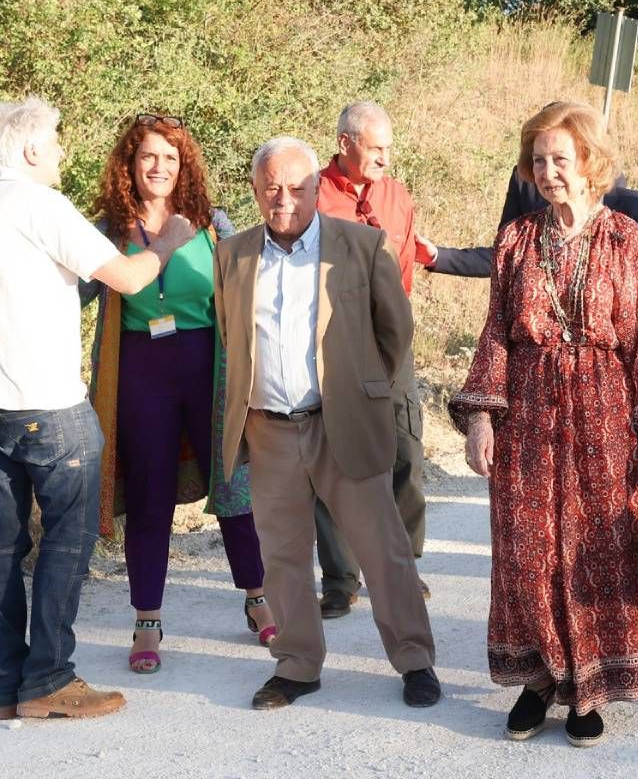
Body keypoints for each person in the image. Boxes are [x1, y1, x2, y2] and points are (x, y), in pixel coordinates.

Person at [448, 101, 638, 747]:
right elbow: (495, 332)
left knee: (596, 548)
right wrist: (481, 419)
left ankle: (590, 684)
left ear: (588, 163)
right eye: (539, 160)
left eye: (560, 159)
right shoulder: (516, 239)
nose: (547, 171)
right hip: (526, 408)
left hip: (604, 411)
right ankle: (540, 677)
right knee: (528, 550)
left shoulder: (626, 237)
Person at [212, 137, 440, 710]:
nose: (282, 199)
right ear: (256, 191)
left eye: (295, 187)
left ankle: (415, 660)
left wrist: (363, 392)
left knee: (382, 548)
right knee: (283, 554)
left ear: (317, 186)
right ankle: (296, 665)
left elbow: (396, 333)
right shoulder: (233, 254)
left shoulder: (361, 246)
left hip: (342, 421)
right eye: (270, 189)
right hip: (269, 429)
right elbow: (231, 336)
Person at [1, 96, 196, 718]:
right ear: (30, 149)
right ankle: (50, 679)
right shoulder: (39, 203)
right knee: (67, 542)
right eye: (55, 142)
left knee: (4, 548)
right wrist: (166, 243)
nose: (60, 153)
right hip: (52, 409)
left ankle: (7, 681)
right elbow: (130, 278)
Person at [87, 114, 276, 674]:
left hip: (207, 366)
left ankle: (258, 595)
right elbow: (68, 293)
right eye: (148, 156)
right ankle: (148, 618)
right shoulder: (106, 228)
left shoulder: (211, 223)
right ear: (129, 163)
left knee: (233, 482)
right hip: (141, 368)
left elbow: (253, 289)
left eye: (170, 157)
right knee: (149, 494)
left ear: (184, 164)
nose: (159, 167)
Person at [313, 101, 429, 617]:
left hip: (391, 337)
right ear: (346, 144)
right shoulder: (310, 194)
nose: (386, 157)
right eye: (376, 148)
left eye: (388, 147)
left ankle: (403, 567)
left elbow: (407, 263)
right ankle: (340, 580)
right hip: (334, 338)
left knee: (406, 449)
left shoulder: (398, 193)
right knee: (336, 456)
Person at [416, 167, 638, 372]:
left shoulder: (632, 209)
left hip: (610, 367)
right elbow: (506, 254)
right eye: (539, 156)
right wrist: (440, 257)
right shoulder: (526, 184)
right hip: (537, 366)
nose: (547, 170)